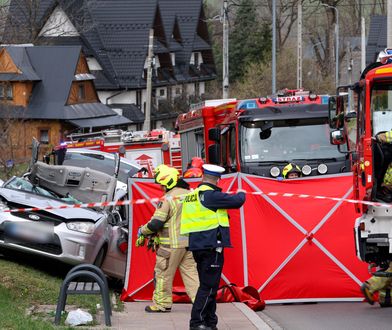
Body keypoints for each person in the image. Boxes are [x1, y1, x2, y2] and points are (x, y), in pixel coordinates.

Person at [181, 164, 246, 330]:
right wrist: (242, 192)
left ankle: (210, 322)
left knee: (208, 285)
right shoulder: (210, 195)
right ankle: (197, 322)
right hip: (211, 246)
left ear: (203, 177)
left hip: (198, 245)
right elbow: (237, 201)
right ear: (217, 180)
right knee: (208, 287)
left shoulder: (192, 195)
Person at [139, 164, 199, 313]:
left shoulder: (168, 198)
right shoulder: (190, 195)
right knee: (191, 276)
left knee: (162, 274)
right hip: (188, 244)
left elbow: (156, 222)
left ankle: (161, 304)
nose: (161, 188)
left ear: (168, 182)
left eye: (161, 184)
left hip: (170, 246)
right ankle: (201, 304)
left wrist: (142, 231)